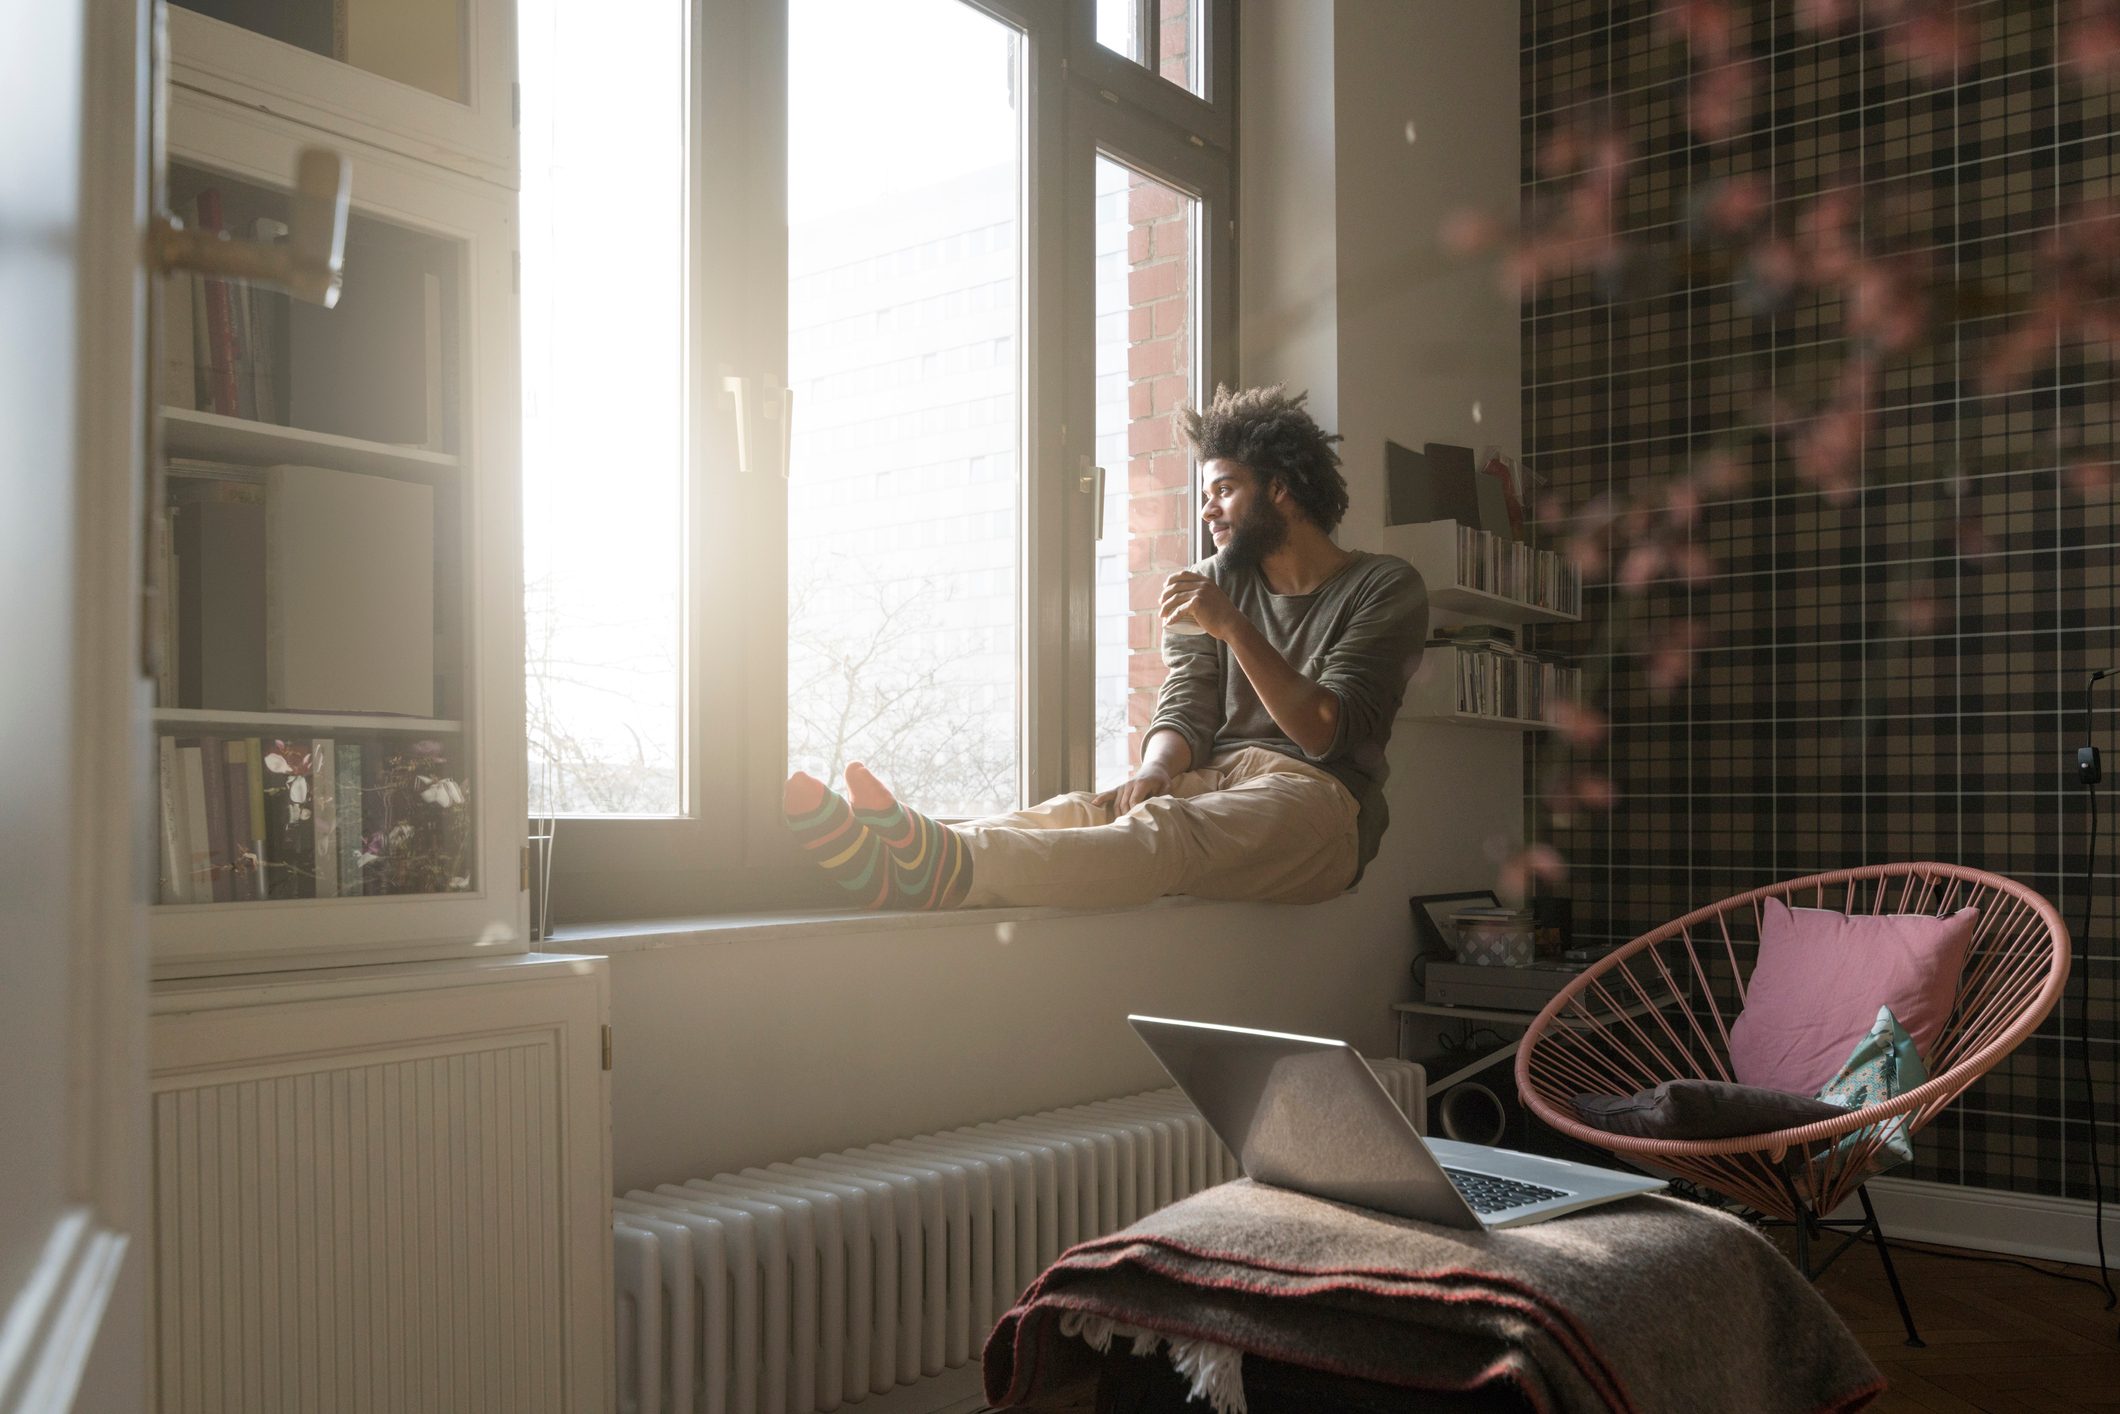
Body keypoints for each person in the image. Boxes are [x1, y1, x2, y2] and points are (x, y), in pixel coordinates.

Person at [781, 383, 1428, 910]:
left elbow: (1325, 732)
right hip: (1219, 778)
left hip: (1321, 802)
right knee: (1087, 811)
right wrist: (1155, 770)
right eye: (1204, 495)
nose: (1207, 511)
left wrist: (1233, 626)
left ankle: (945, 870)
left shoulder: (1382, 585)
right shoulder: (1210, 581)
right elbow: (1188, 705)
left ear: (1280, 489)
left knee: (1163, 831)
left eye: (1224, 489)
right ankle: (898, 852)